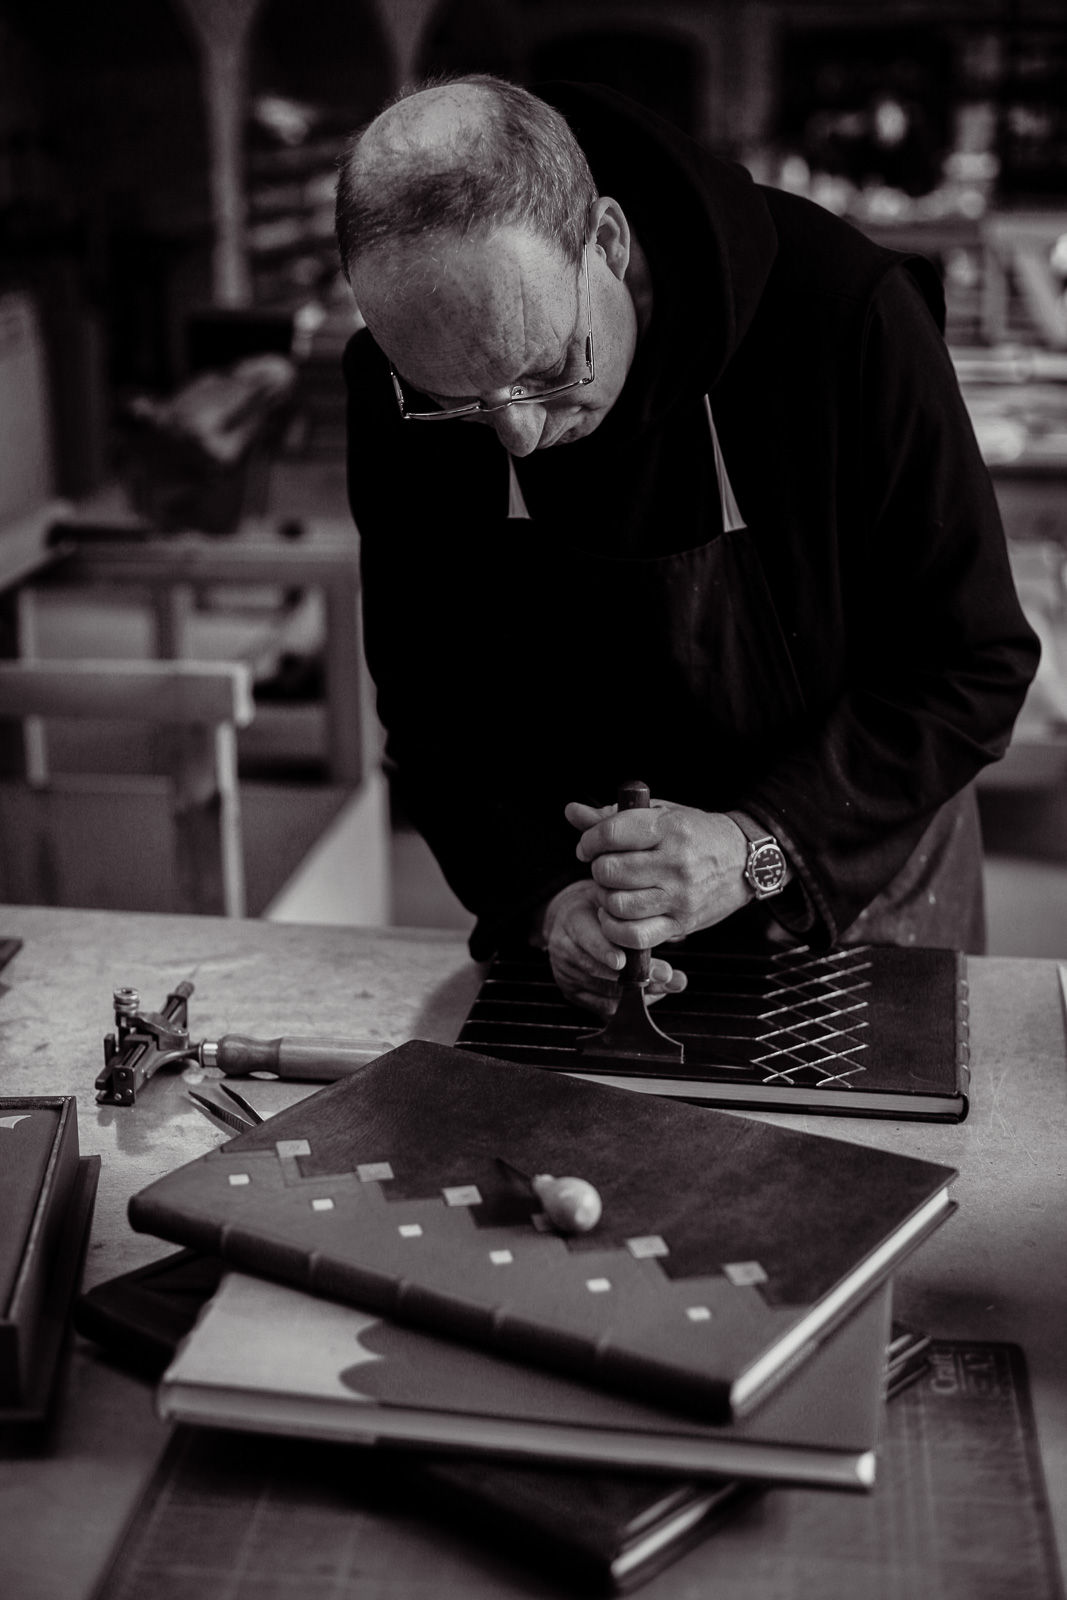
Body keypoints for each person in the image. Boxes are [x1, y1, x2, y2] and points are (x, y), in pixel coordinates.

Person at [336, 75, 1039, 1015]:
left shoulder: (840, 315)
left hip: (854, 880)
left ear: (610, 245)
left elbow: (971, 661)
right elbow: (433, 708)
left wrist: (758, 844)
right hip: (599, 922)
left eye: (551, 370)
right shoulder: (396, 392)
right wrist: (544, 900)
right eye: (457, 402)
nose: (519, 438)